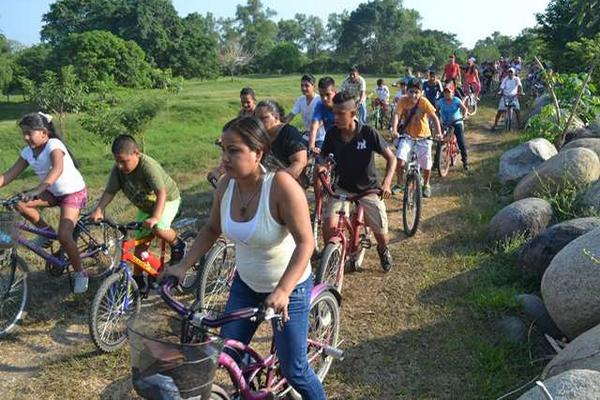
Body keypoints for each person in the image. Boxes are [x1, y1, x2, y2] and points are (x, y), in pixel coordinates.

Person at [163, 116, 326, 399]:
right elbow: (212, 229)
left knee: (294, 370)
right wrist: (182, 266)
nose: (225, 158)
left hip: (289, 288)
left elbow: (306, 243)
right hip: (246, 285)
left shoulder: (281, 186)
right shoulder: (226, 185)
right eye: (223, 149)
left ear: (258, 153)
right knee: (228, 355)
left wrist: (284, 290)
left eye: (234, 150)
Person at [0, 112, 89, 293]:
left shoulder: (54, 145)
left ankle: (81, 273)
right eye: (23, 133)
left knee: (64, 236)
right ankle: (47, 233)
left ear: (44, 133)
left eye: (29, 133)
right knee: (19, 202)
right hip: (52, 193)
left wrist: (39, 190)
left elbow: (57, 169)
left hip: (72, 193)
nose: (26, 137)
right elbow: (8, 175)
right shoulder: (27, 153)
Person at [90, 135, 186, 291]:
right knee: (140, 245)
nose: (120, 166)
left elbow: (161, 193)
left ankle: (177, 244)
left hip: (168, 200)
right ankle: (139, 282)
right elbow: (109, 191)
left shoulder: (147, 166)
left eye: (124, 161)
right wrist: (99, 209)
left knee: (159, 228)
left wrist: (155, 217)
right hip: (146, 207)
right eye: (117, 161)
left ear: (136, 153)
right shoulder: (118, 170)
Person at [318, 92, 396, 272]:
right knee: (329, 226)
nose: (335, 118)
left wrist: (386, 184)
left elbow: (391, 159)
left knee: (382, 235)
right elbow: (323, 154)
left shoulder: (368, 133)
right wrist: (322, 165)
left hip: (369, 190)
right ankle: (333, 256)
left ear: (353, 113)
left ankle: (382, 249)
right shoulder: (332, 133)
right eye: (333, 113)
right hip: (342, 188)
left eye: (340, 114)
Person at [391, 78, 442, 198]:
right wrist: (394, 130)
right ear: (406, 91)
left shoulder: (424, 102)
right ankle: (399, 183)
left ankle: (426, 184)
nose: (413, 95)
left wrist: (438, 132)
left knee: (426, 164)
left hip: (424, 137)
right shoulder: (402, 101)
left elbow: (434, 118)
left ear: (421, 93)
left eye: (416, 92)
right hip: (407, 136)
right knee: (400, 159)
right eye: (411, 91)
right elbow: (397, 115)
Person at [254, 100, 307, 179]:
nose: (259, 122)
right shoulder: (259, 135)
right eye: (257, 119)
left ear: (276, 117)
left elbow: (300, 162)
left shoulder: (289, 133)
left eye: (263, 118)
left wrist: (281, 181)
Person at [285, 74, 325, 150]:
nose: (304, 88)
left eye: (307, 86)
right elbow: (291, 115)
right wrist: (281, 124)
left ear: (314, 86)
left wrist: (312, 130)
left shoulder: (319, 100)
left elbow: (322, 120)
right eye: (302, 85)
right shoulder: (300, 100)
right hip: (306, 136)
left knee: (319, 159)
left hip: (320, 137)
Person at [436, 85, 469, 171]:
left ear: (453, 93)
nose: (447, 94)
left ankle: (465, 161)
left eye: (449, 92)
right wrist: (437, 119)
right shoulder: (440, 101)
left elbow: (464, 109)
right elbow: (436, 112)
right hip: (445, 123)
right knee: (440, 141)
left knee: (461, 141)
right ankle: (436, 162)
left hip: (457, 122)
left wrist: (465, 115)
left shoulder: (456, 100)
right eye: (445, 92)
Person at [306, 76, 337, 153]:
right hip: (331, 141)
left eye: (328, 94)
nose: (325, 98)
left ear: (335, 92)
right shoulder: (320, 105)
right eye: (321, 95)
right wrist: (311, 147)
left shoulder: (343, 103)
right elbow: (314, 126)